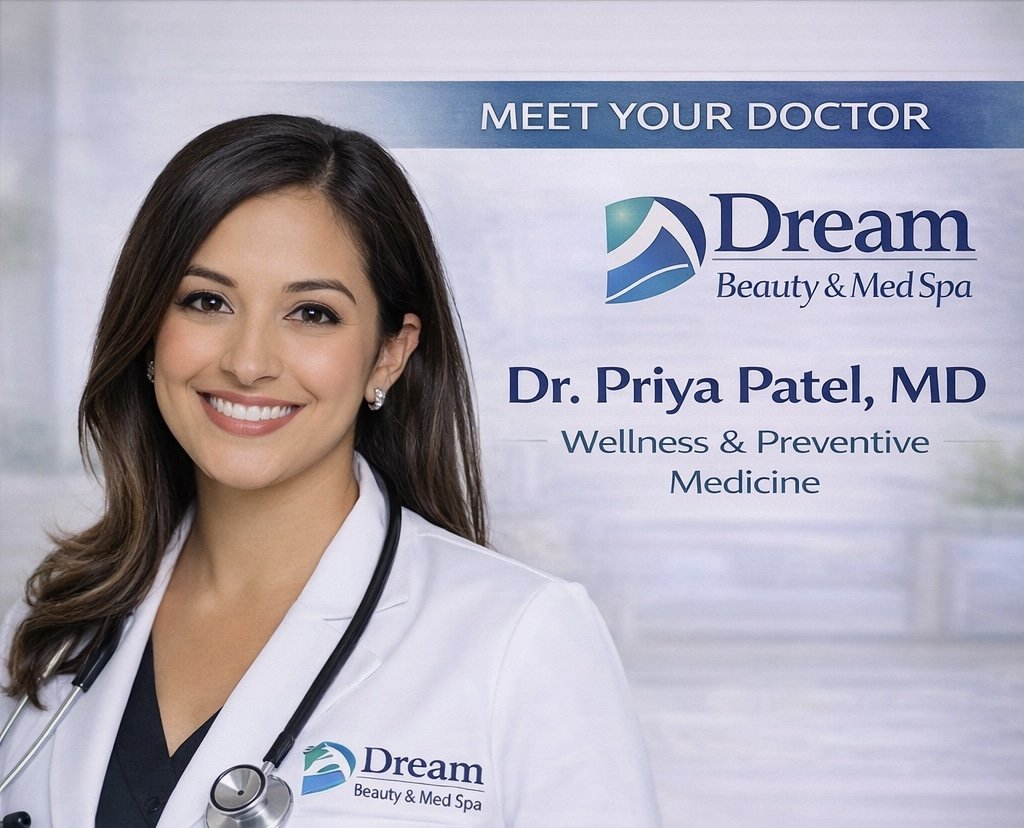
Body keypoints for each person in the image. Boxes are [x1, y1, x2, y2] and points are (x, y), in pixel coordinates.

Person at [0, 114, 659, 827]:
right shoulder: (55, 622)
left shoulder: (523, 637)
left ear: (389, 354)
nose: (248, 362)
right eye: (206, 301)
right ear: (150, 333)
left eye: (311, 313)